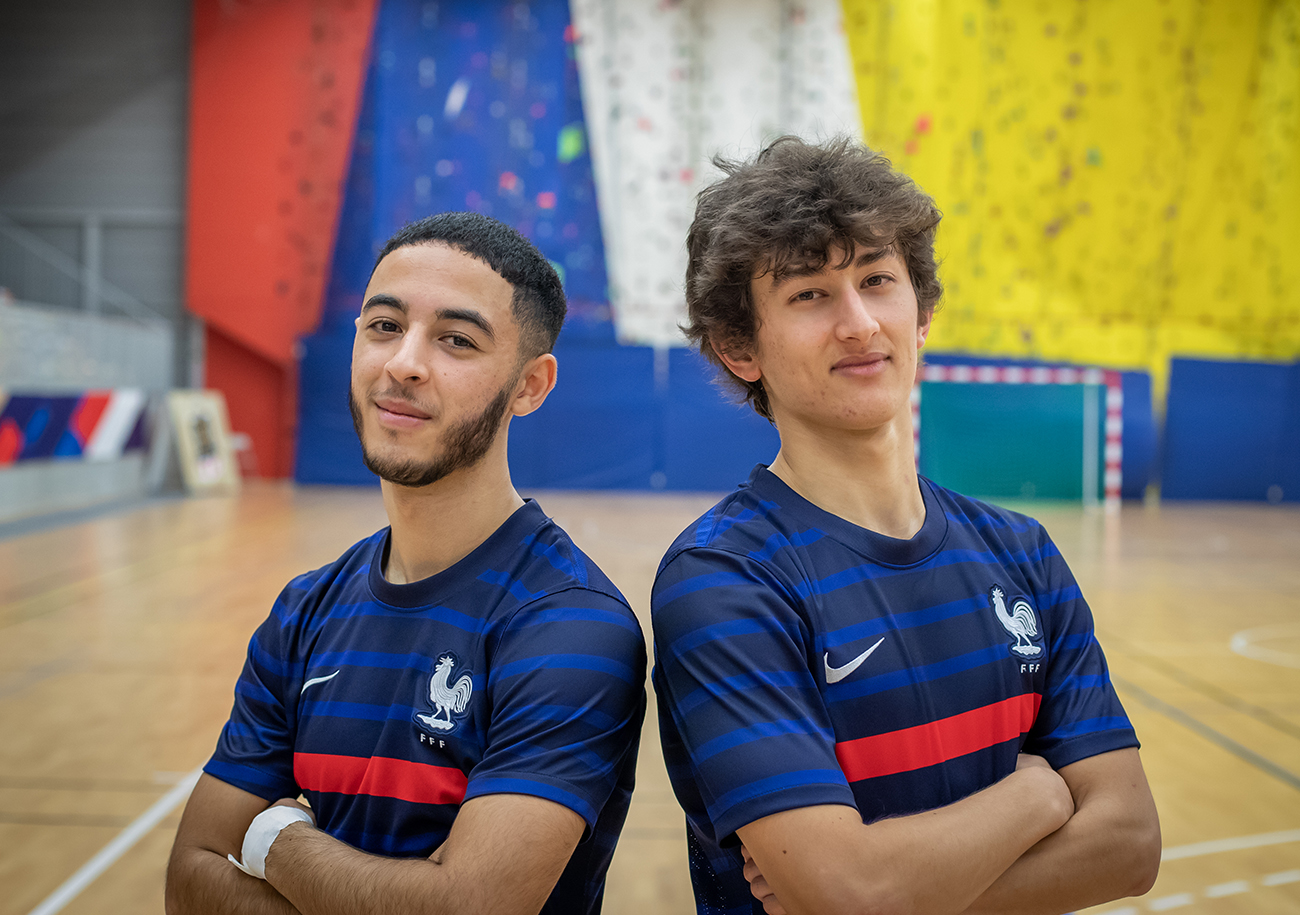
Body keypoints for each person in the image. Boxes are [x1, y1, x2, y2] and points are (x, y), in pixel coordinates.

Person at [651, 137, 1161, 915]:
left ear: (920, 313)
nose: (859, 324)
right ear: (738, 346)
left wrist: (883, 891)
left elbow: (1129, 844)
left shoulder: (1020, 552)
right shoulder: (725, 580)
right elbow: (851, 891)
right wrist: (1038, 793)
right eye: (810, 295)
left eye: (877, 280)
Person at [166, 212, 647, 915]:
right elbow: (190, 877)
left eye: (456, 339)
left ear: (530, 385)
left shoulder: (571, 626)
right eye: (385, 326)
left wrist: (275, 838)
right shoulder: (305, 609)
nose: (404, 363)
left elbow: (465, 908)